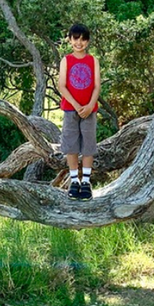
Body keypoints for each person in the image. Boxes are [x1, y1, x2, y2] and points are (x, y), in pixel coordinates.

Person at [55, 23, 101, 199]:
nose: (79, 43)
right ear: (70, 40)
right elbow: (62, 86)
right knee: (71, 145)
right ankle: (74, 181)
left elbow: (97, 86)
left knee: (88, 146)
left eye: (83, 39)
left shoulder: (92, 61)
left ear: (87, 41)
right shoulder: (66, 60)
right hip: (70, 110)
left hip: (89, 110)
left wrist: (90, 105)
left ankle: (86, 182)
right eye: (75, 39)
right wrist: (75, 105)